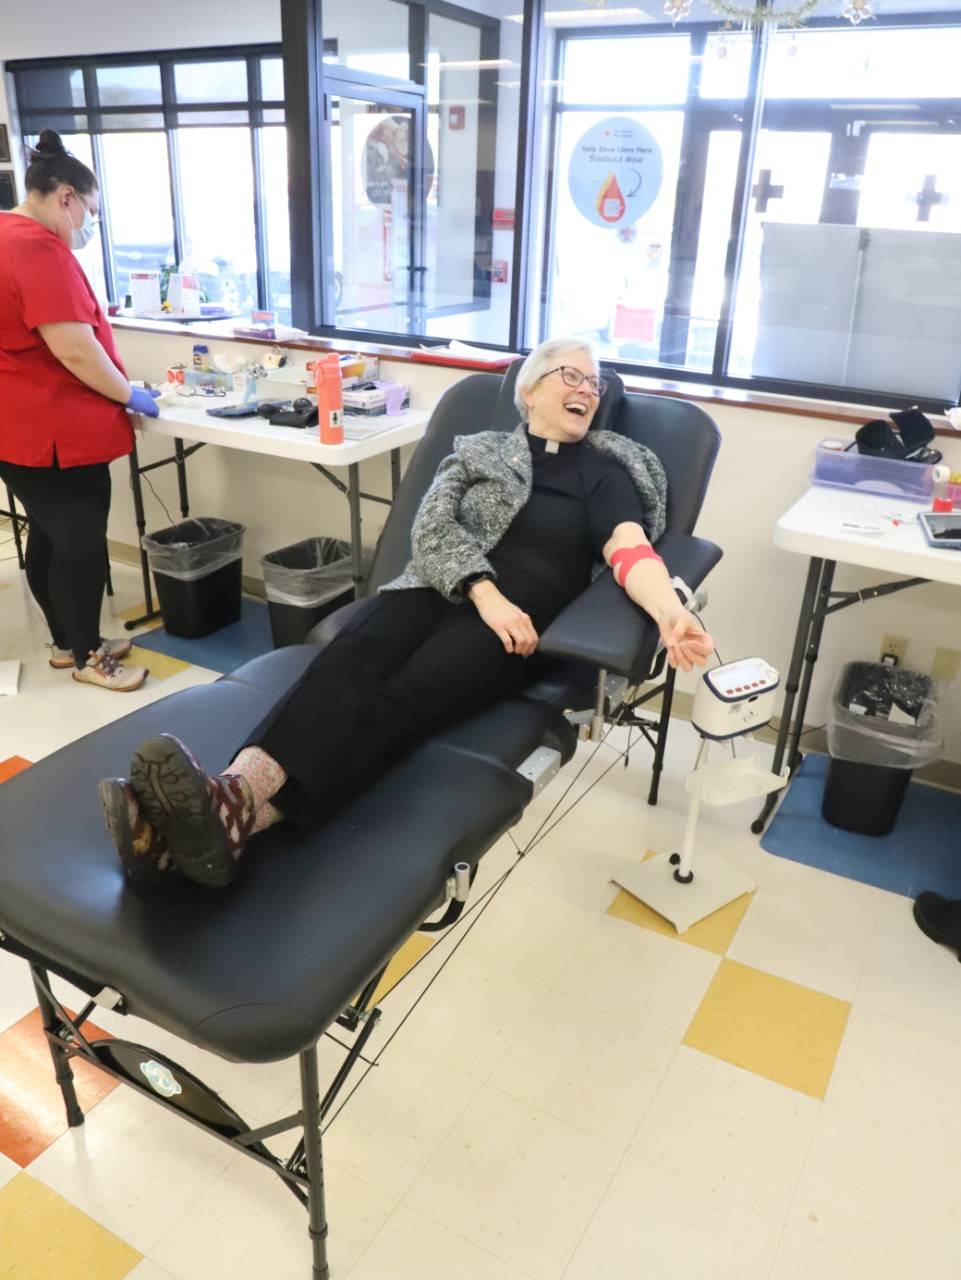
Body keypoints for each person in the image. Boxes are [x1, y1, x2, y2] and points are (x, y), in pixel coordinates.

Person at [100, 337, 714, 888]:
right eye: (571, 376)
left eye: (595, 382)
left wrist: (670, 611)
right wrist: (483, 590)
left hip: (516, 625)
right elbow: (432, 525)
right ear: (529, 391)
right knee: (348, 660)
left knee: (399, 699)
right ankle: (230, 800)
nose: (587, 389)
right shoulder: (479, 451)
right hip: (436, 584)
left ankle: (212, 820)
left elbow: (630, 549)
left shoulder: (609, 472)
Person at [0, 128, 159, 691]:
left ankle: (68, 643)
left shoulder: (3, 232)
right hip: (55, 435)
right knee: (81, 545)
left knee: (49, 537)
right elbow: (74, 349)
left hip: (16, 427)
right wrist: (128, 393)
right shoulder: (39, 250)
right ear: (66, 196)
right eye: (90, 211)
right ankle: (91, 657)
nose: (88, 225)